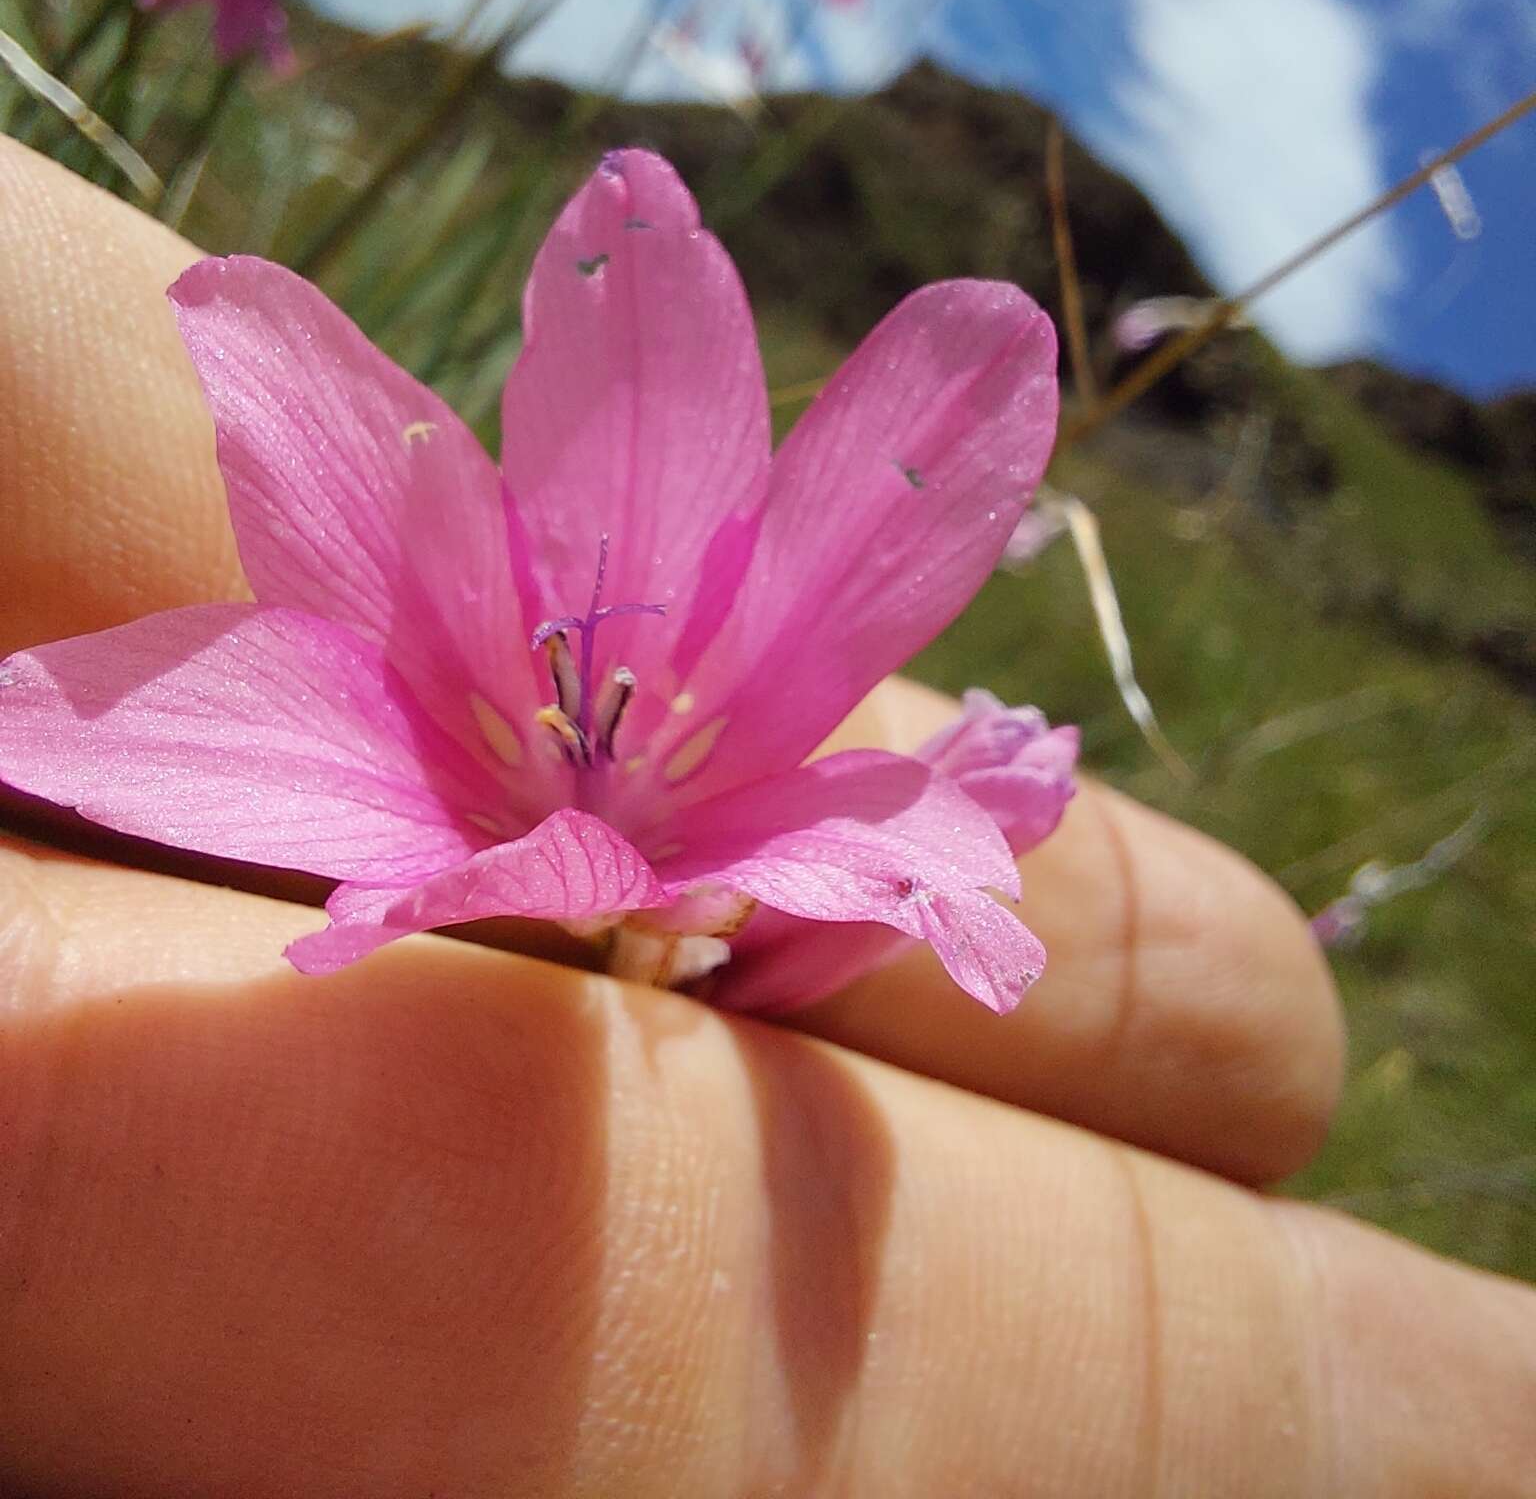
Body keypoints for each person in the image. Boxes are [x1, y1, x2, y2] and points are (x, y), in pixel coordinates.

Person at [0, 134, 1530, 1497]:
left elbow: (860, 844)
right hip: (422, 827)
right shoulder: (484, 781)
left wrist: (841, 898)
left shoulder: (730, 855)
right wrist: (412, 900)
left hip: (692, 893)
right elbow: (279, 392)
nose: (584, 733)